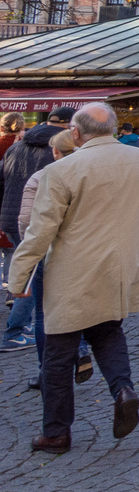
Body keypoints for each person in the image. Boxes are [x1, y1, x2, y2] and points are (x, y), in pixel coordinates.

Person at [6, 103, 139, 454]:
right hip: (123, 267)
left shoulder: (63, 169)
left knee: (58, 353)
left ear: (76, 134)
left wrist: (18, 278)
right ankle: (123, 389)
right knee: (108, 331)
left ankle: (56, 432)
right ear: (111, 128)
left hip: (73, 273)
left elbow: (39, 233)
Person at [1, 106, 74, 351]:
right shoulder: (60, 150)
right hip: (37, 219)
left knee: (28, 269)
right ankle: (15, 330)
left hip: (10, 215)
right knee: (36, 274)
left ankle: (24, 325)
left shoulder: (16, 146)